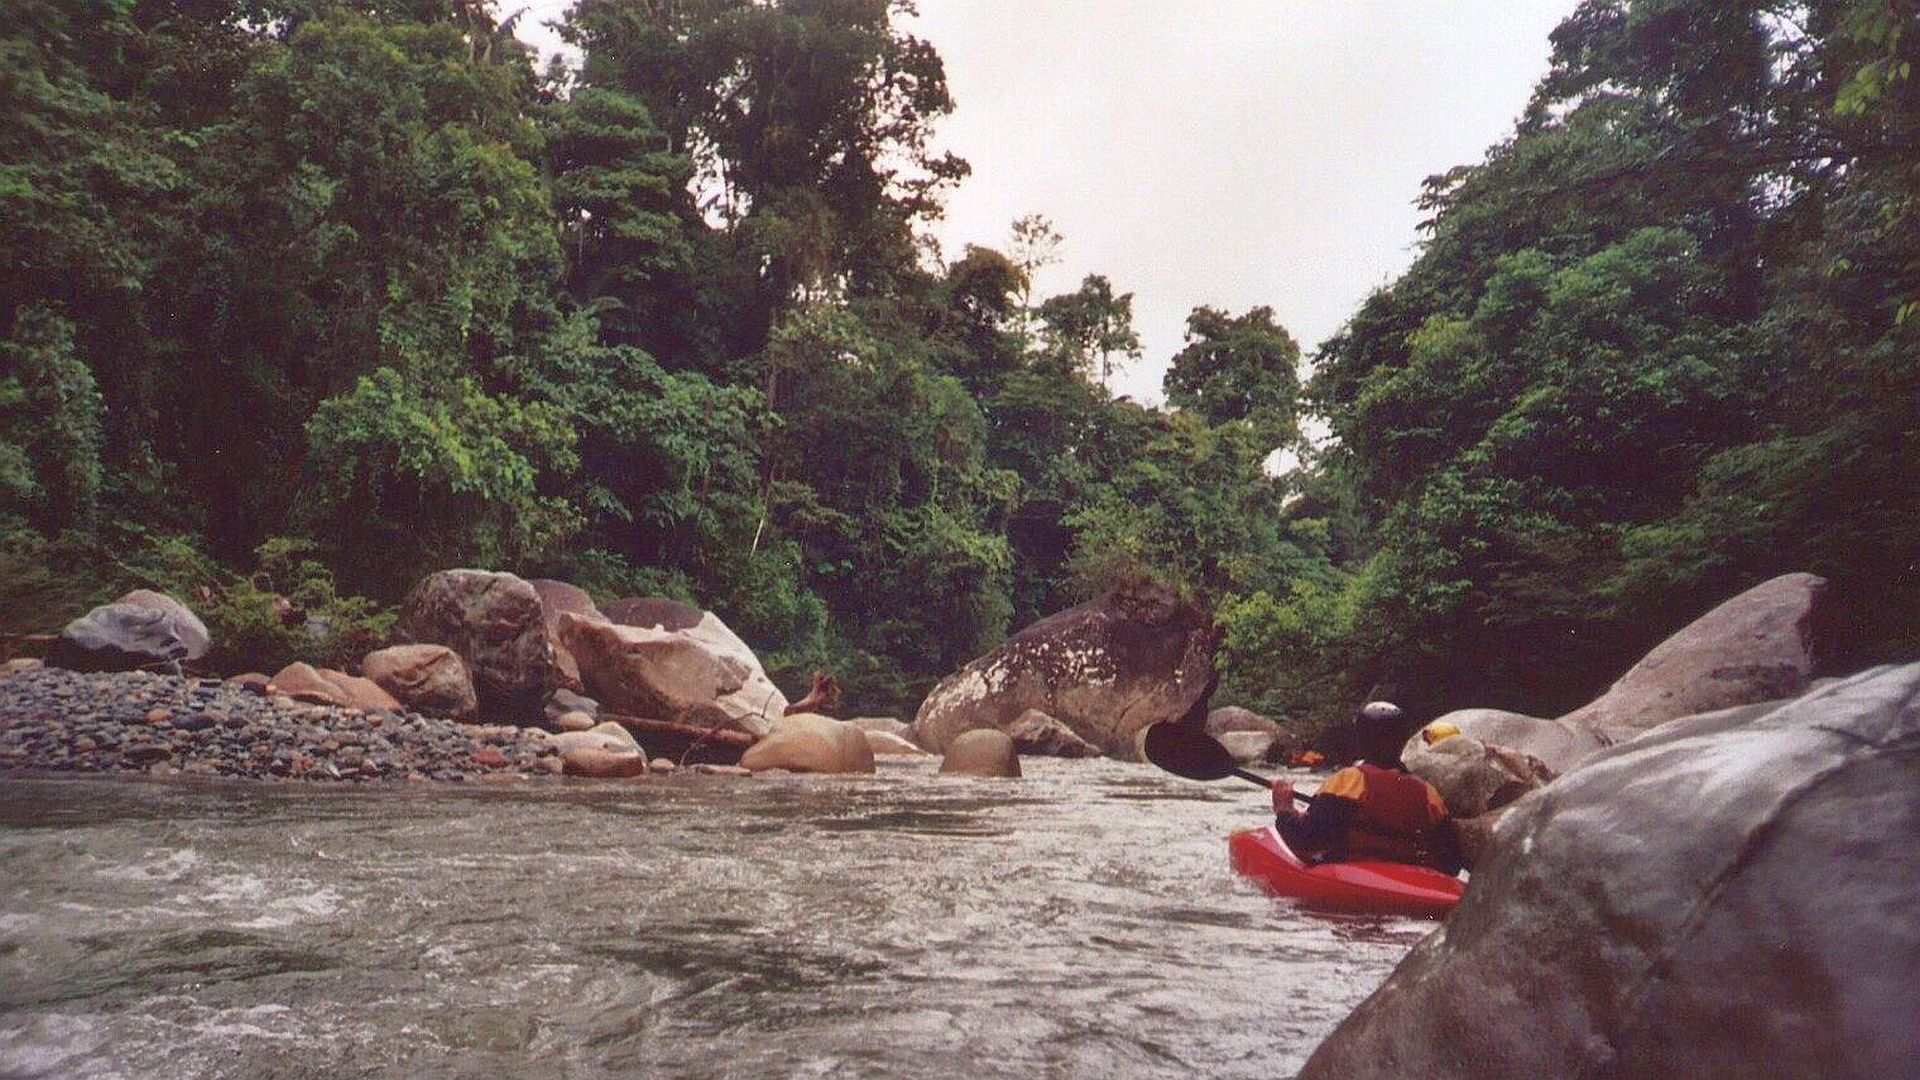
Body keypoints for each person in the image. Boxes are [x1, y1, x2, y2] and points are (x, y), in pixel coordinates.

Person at [1270, 701, 1463, 874]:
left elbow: (1306, 841)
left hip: (1355, 878)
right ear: (1403, 741)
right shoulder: (1428, 794)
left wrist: (1284, 810)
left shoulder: (1348, 782)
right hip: (1411, 882)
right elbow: (1451, 864)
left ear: (1361, 739)